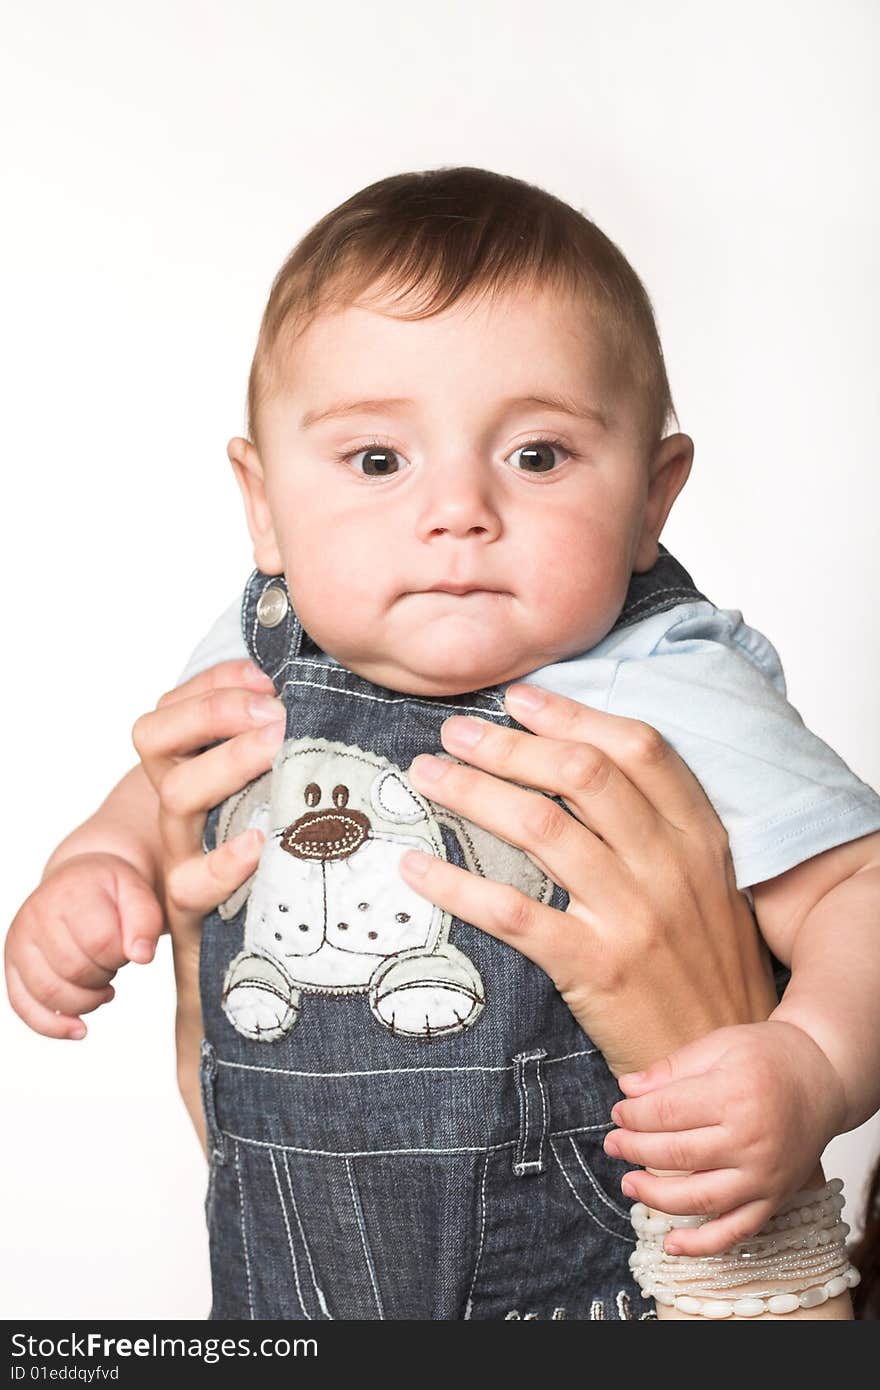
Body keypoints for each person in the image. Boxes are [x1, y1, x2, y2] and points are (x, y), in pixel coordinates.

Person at [6, 167, 879, 1320]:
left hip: (575, 1279)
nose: (457, 508)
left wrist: (812, 1062)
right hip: (280, 1268)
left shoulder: (662, 679)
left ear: (653, 498)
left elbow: (857, 888)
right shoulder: (269, 638)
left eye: (538, 455)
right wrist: (94, 868)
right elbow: (160, 786)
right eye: (378, 460)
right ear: (262, 504)